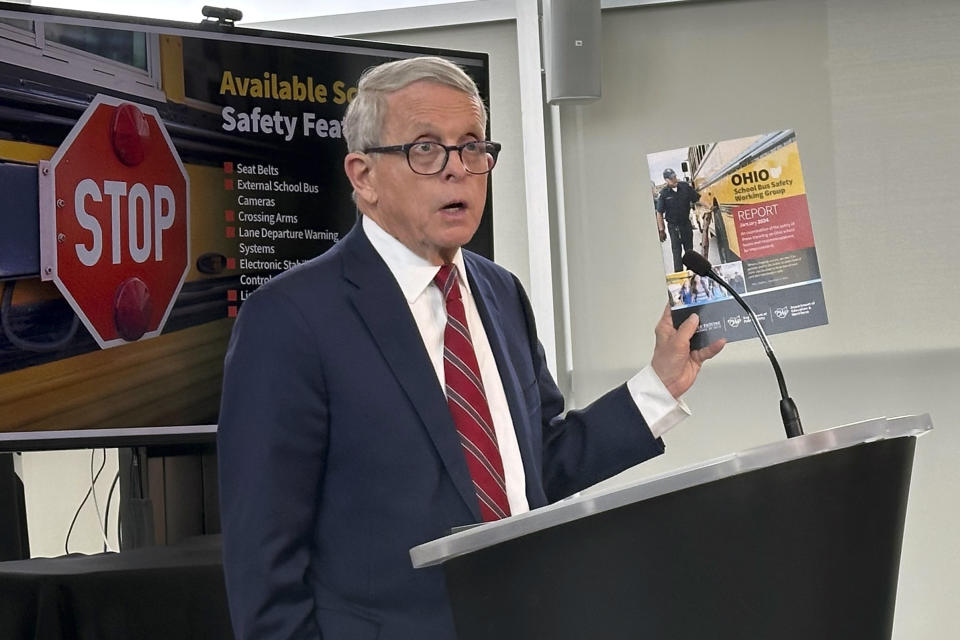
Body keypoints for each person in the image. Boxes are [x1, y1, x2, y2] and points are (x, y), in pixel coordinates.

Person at [218, 56, 725, 640]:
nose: (458, 169)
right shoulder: (290, 318)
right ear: (363, 176)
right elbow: (265, 569)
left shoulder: (499, 291)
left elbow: (534, 468)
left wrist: (658, 387)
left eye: (472, 148)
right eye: (426, 149)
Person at [656, 167, 701, 273]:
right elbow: (659, 213)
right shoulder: (663, 194)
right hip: (673, 227)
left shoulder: (685, 187)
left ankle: (692, 274)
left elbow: (697, 199)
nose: (674, 179)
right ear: (666, 180)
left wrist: (709, 206)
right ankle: (680, 278)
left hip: (686, 224)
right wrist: (662, 230)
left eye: (675, 177)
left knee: (689, 252)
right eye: (671, 178)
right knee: (677, 253)